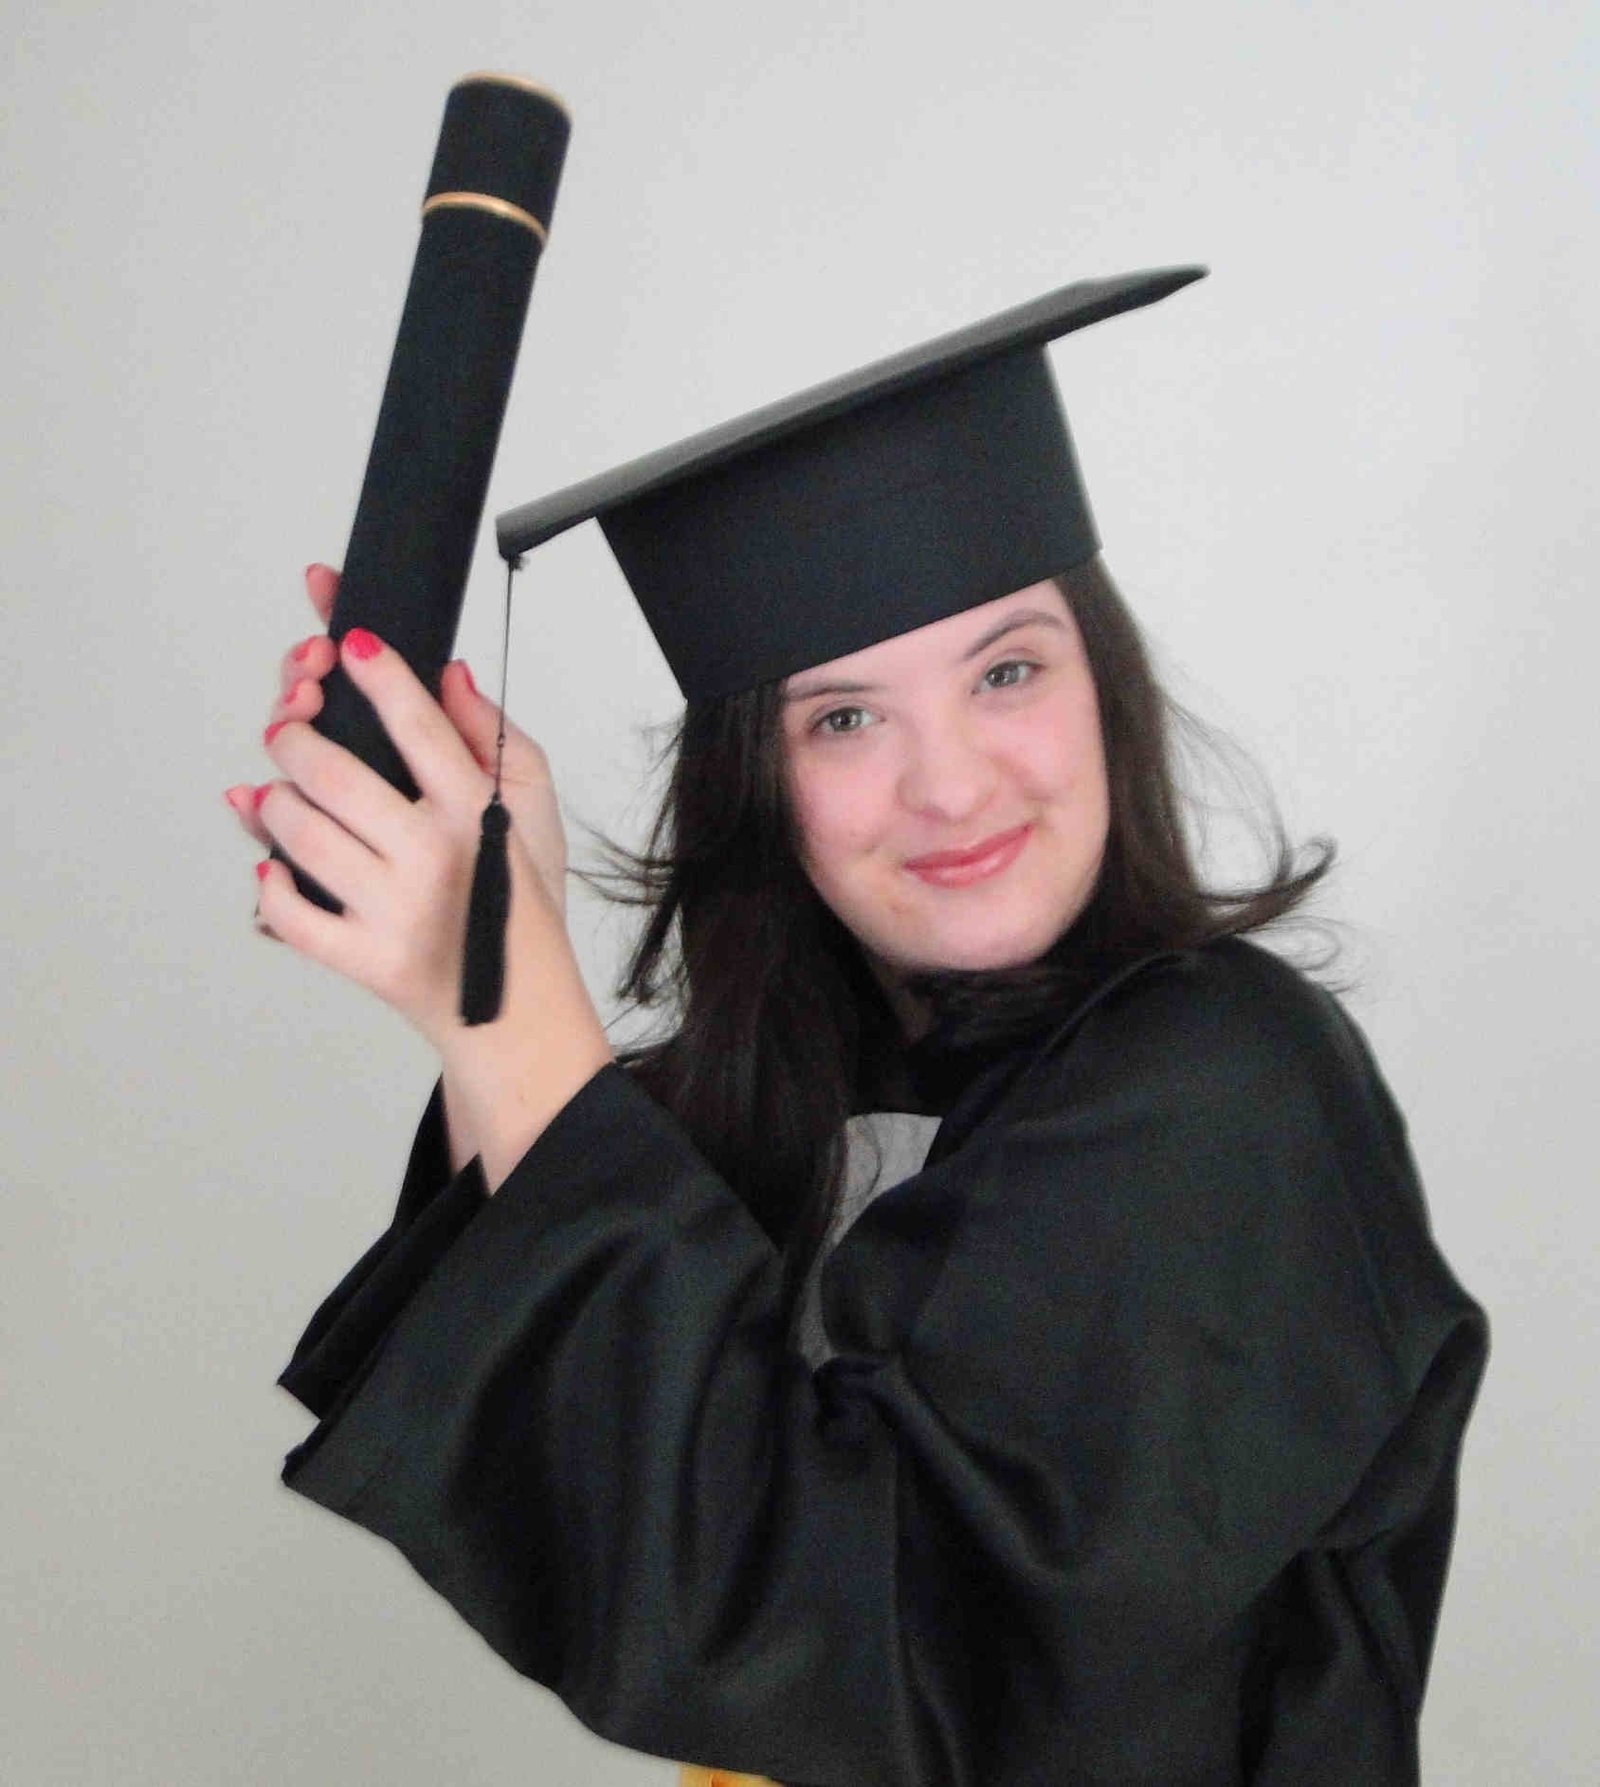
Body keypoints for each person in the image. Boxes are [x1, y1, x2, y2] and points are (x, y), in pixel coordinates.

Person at [228, 268, 1490, 1785]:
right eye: (843, 716)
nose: (950, 786)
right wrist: (498, 939)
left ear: (1105, 690)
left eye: (1008, 670)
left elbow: (861, 1655)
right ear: (761, 783)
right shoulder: (783, 1099)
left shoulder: (1227, 1085)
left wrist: (501, 1008)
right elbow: (626, 1505)